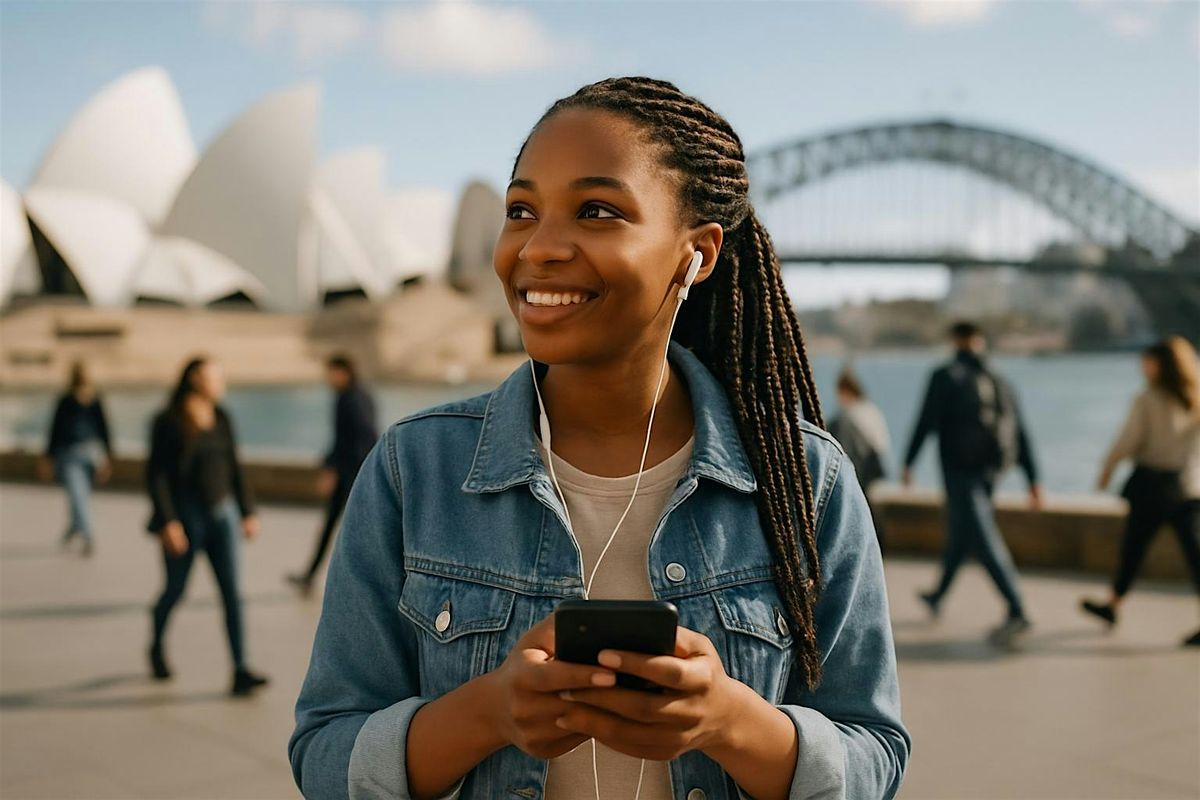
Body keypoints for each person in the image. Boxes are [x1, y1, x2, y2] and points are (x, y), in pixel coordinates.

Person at [291, 77, 909, 800]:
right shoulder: (415, 470)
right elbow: (325, 755)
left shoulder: (807, 480)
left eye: (596, 210)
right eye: (521, 209)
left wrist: (728, 722)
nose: (540, 247)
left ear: (697, 254)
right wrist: (488, 712)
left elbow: (876, 757)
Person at [902, 321, 1042, 644]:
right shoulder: (1000, 378)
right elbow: (1020, 432)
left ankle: (1018, 608)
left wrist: (909, 461)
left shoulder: (945, 376)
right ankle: (938, 595)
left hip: (958, 471)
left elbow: (925, 421)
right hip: (993, 472)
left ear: (956, 341)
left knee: (982, 536)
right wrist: (1033, 478)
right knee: (963, 531)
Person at [145, 356, 269, 696]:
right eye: (216, 377)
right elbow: (156, 476)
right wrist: (168, 521)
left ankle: (240, 669)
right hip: (185, 518)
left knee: (232, 593)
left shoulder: (222, 416)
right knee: (175, 590)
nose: (221, 382)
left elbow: (234, 465)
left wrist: (247, 511)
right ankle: (155, 644)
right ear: (197, 379)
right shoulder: (168, 421)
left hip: (223, 514)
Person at [1081, 336, 1200, 647]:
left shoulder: (1147, 399)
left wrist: (1107, 469)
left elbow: (1128, 440)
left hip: (1152, 487)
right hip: (1187, 487)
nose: (1142, 367)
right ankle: (1112, 605)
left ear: (1160, 365)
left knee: (1133, 550)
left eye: (1147, 361)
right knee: (1195, 556)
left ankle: (1112, 605)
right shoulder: (1195, 397)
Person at [287, 354, 379, 596]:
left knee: (352, 530)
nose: (328, 379)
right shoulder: (362, 396)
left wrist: (332, 469)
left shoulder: (349, 400)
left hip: (351, 474)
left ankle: (363, 583)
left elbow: (354, 439)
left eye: (331, 373)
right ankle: (311, 575)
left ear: (344, 372)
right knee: (336, 527)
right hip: (355, 472)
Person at [39, 361, 113, 557]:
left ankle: (75, 527)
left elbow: (105, 430)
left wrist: (108, 458)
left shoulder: (95, 399)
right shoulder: (66, 400)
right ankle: (87, 534)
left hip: (92, 454)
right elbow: (54, 431)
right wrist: (48, 458)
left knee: (80, 495)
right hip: (71, 454)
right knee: (78, 495)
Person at [829, 367, 891, 552]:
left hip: (862, 466)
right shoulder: (871, 409)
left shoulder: (850, 415)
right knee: (866, 505)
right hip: (876, 464)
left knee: (859, 507)